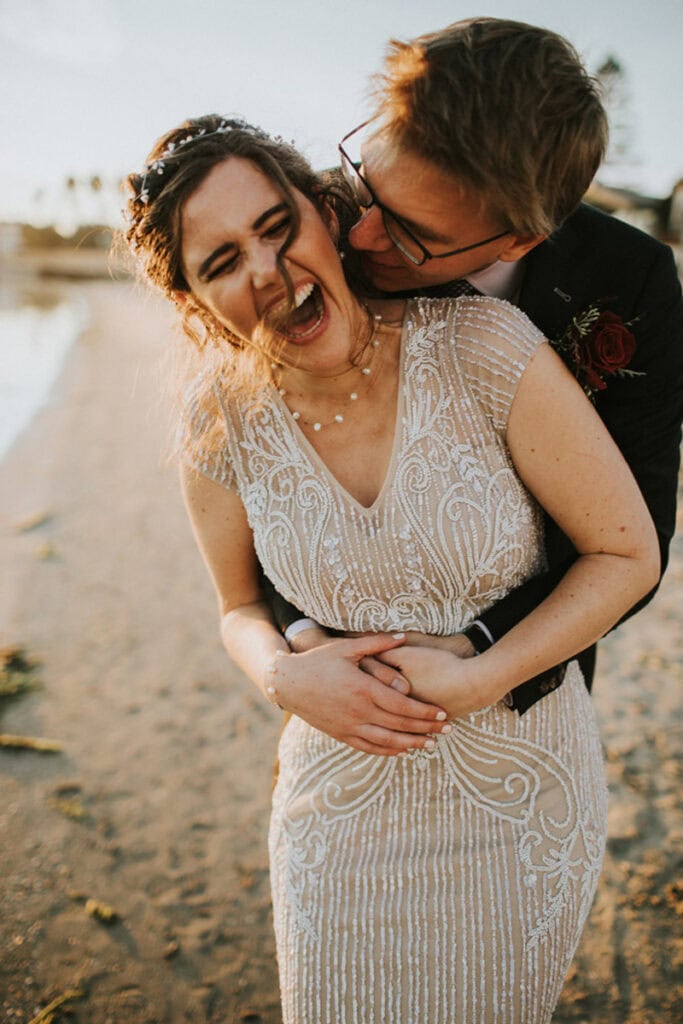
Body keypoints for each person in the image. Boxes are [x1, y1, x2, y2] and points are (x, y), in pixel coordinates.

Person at [124, 114, 658, 1023]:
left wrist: (481, 674)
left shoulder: (485, 348)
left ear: (325, 214)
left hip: (521, 805)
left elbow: (624, 553)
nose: (264, 271)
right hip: (336, 810)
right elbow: (237, 607)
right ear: (194, 302)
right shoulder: (216, 421)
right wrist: (285, 678)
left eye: (274, 225)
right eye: (219, 263)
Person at [272, 17, 683, 715]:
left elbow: (635, 532)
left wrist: (481, 654)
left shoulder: (630, 280)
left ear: (520, 239)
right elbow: (267, 467)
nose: (361, 233)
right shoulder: (319, 230)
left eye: (411, 233)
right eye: (364, 184)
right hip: (337, 673)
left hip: (529, 664)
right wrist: (302, 643)